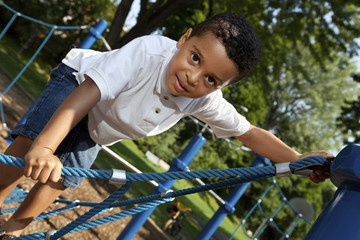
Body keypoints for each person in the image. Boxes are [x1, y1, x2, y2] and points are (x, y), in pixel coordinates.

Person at [0, 12, 332, 238]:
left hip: (100, 124)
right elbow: (89, 90)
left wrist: (298, 161)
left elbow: (249, 133)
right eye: (195, 58)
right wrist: (45, 147)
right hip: (78, 84)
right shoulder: (147, 52)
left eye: (211, 79)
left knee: (64, 177)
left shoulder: (204, 99)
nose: (193, 77)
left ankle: (14, 227)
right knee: (31, 146)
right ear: (183, 39)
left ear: (221, 87)